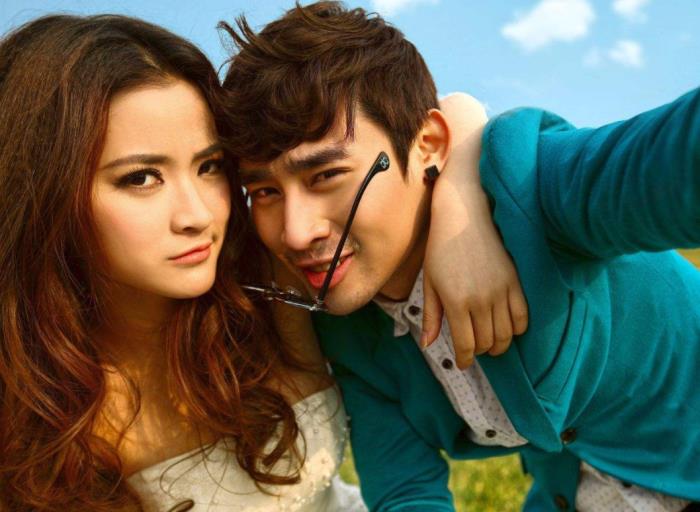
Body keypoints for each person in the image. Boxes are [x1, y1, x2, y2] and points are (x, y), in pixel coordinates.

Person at [0, 13, 524, 511]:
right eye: (141, 178)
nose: (198, 215)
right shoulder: (26, 403)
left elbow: (436, 114)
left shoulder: (269, 279)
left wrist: (462, 211)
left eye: (209, 166)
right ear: (42, 191)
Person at [221, 2, 700, 511]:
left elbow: (676, 159)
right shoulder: (348, 327)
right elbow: (405, 489)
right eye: (264, 192)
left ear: (427, 144)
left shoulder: (534, 184)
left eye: (326, 176)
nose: (296, 233)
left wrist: (467, 207)